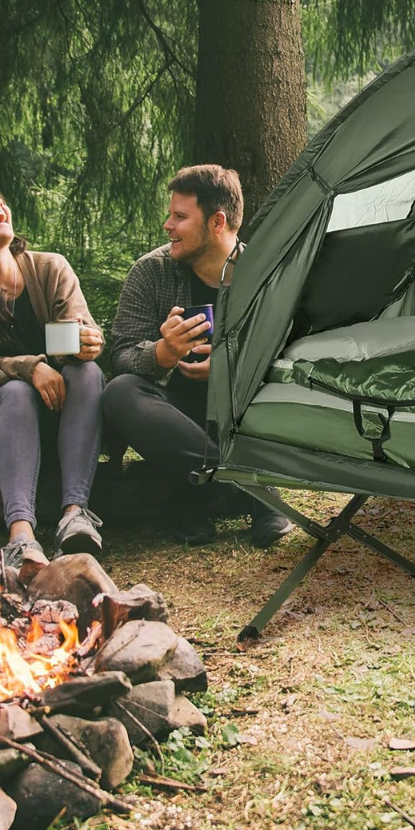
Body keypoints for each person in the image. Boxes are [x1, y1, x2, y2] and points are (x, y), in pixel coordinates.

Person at [102, 165, 292, 547]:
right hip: (177, 417)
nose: (167, 225)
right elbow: (120, 355)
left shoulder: (267, 276)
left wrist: (228, 367)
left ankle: (201, 492)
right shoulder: (150, 272)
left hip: (242, 413)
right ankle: (246, 484)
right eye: (170, 214)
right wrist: (162, 353)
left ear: (217, 222)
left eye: (180, 217)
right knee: (121, 391)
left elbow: (291, 352)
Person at [0, 193, 106, 579]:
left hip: (66, 411)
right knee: (14, 391)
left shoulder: (49, 268)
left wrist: (87, 343)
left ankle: (75, 516)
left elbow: (79, 331)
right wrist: (29, 368)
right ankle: (21, 536)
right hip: (7, 421)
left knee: (89, 373)